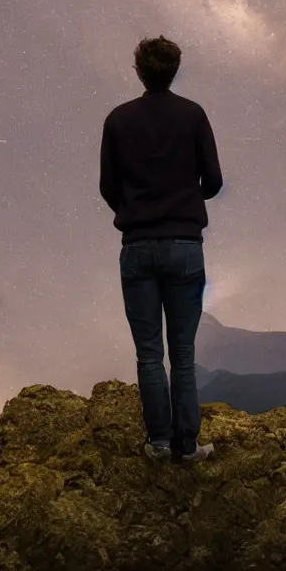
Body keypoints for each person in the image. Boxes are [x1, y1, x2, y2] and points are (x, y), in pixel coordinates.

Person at [99, 35, 223, 465]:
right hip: (185, 247)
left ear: (138, 70)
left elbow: (107, 188)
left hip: (137, 248)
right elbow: (215, 181)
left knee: (149, 353)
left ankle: (158, 443)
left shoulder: (117, 121)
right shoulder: (193, 116)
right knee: (183, 354)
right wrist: (184, 198)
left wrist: (136, 209)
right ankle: (187, 447)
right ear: (175, 69)